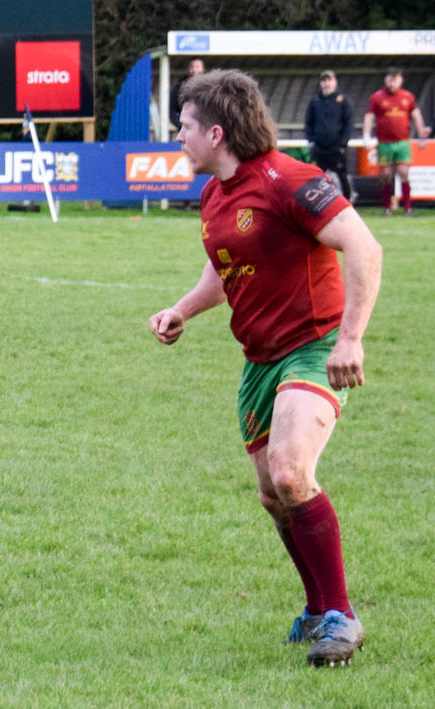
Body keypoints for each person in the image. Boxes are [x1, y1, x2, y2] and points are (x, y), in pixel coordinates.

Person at [150, 70, 382, 667]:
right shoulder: (214, 195)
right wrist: (182, 309)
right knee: (274, 496)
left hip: (313, 345)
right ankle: (318, 610)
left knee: (289, 470)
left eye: (185, 127)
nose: (178, 138)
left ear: (216, 134)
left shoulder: (289, 180)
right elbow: (225, 266)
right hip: (259, 359)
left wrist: (350, 339)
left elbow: (364, 245)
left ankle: (343, 616)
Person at [362, 67, 431, 216]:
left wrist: (421, 133)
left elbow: (416, 114)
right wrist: (366, 135)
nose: (393, 83)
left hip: (402, 142)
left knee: (403, 173)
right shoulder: (377, 97)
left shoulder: (407, 96)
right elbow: (369, 116)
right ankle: (387, 208)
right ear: (385, 80)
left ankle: (407, 208)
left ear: (401, 80)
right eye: (390, 79)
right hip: (385, 143)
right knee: (386, 175)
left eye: (396, 79)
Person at [304, 70, 354, 200]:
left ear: (335, 82)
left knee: (342, 175)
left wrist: (343, 143)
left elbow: (348, 123)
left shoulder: (343, 100)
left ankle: (348, 202)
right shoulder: (315, 101)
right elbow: (308, 122)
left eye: (329, 80)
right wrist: (311, 140)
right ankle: (317, 203)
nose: (327, 84)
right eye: (324, 81)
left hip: (337, 148)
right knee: (316, 177)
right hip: (319, 148)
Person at [169, 57, 205, 130]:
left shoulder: (210, 87)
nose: (194, 70)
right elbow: (172, 110)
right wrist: (182, 126)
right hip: (187, 130)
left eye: (197, 67)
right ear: (188, 69)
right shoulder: (180, 87)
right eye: (192, 67)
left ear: (203, 69)